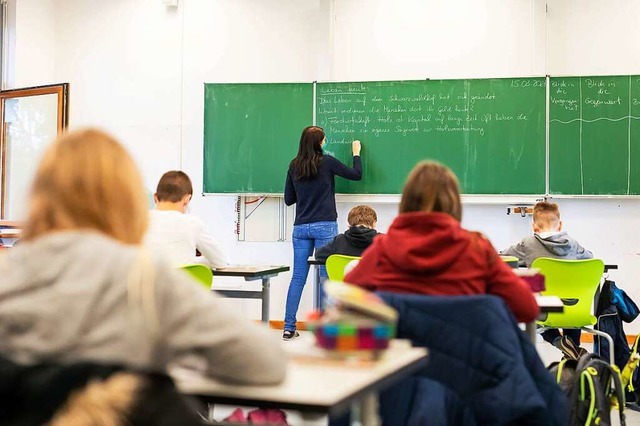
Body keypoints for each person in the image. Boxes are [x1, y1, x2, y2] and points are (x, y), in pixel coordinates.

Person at [0, 128, 286, 387]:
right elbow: (267, 362)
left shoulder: (9, 272)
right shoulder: (143, 279)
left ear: (37, 195)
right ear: (126, 199)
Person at [344, 160, 538, 323]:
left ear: (406, 202)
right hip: (466, 364)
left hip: (404, 364)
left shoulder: (383, 251)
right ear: (454, 203)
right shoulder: (477, 248)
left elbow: (346, 303)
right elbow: (527, 309)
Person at [282, 125, 363, 340]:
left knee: (298, 278)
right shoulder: (327, 162)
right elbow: (356, 175)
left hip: (300, 228)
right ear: (320, 143)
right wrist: (356, 153)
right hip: (325, 225)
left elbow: (289, 199)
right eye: (324, 139)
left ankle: (289, 327)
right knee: (327, 278)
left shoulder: (294, 165)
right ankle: (327, 329)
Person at [502, 201, 594, 358]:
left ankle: (559, 341)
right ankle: (573, 354)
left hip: (544, 310)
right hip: (576, 310)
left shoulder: (528, 243)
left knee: (535, 310)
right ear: (560, 225)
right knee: (568, 304)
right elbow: (590, 258)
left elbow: (504, 256)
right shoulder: (572, 244)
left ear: (534, 227)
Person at [146, 170, 227, 268]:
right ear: (187, 200)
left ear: (155, 197)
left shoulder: (140, 221)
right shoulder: (193, 223)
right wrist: (192, 263)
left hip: (144, 282)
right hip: (180, 282)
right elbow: (220, 262)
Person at [315, 205, 379, 261]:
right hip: (373, 275)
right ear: (374, 223)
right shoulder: (382, 241)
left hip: (345, 275)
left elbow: (319, 255)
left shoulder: (339, 240)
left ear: (350, 223)